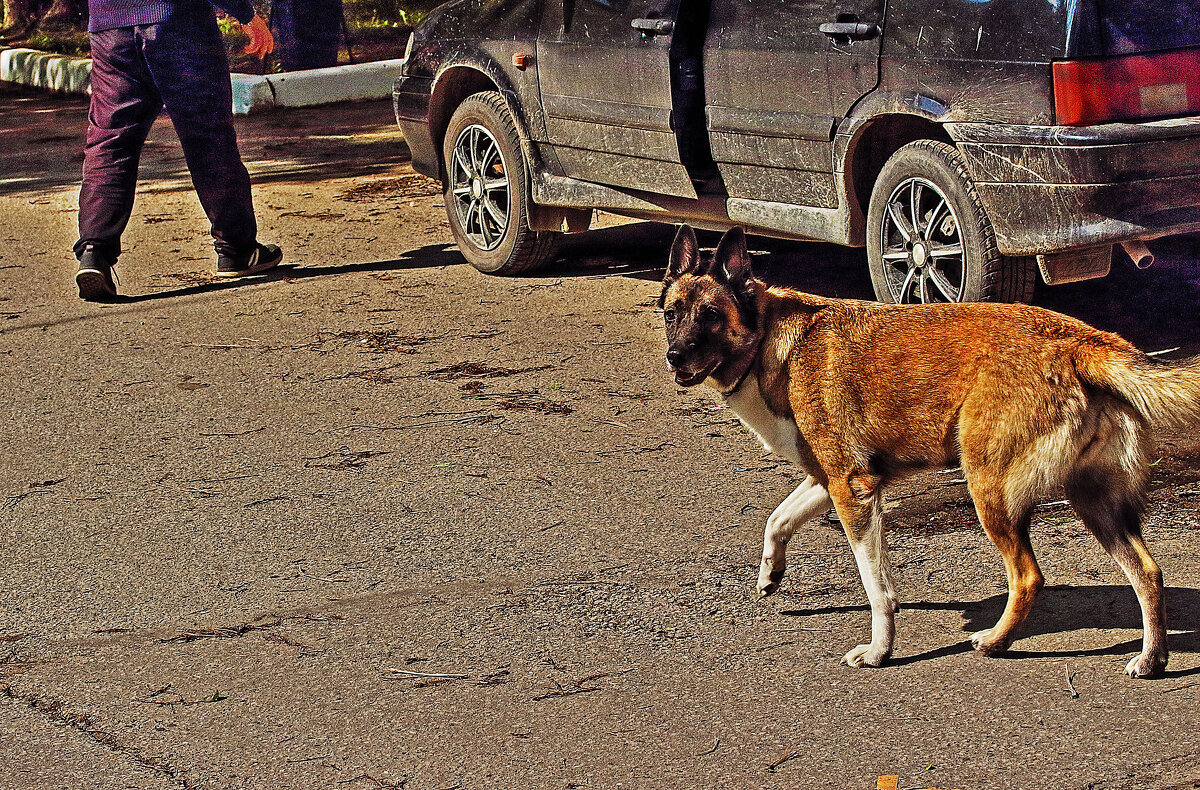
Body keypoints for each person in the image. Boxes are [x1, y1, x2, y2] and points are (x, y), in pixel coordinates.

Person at [75, 0, 283, 301]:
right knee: (208, 136)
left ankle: (94, 251)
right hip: (178, 22)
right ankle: (237, 249)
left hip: (109, 27)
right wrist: (245, 14)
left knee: (110, 141)